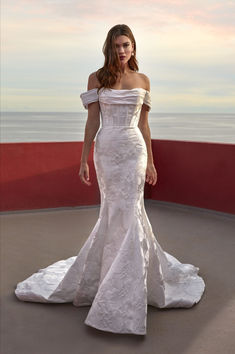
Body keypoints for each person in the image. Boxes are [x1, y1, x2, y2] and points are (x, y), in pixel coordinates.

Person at [15, 24, 205, 336]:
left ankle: (128, 283)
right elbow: (92, 121)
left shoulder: (143, 80)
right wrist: (84, 157)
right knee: (112, 212)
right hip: (106, 151)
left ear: (133, 47)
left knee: (131, 211)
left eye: (126, 45)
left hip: (133, 150)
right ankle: (110, 274)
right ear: (109, 47)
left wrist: (152, 162)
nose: (121, 51)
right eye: (116, 46)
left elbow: (144, 125)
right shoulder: (97, 78)